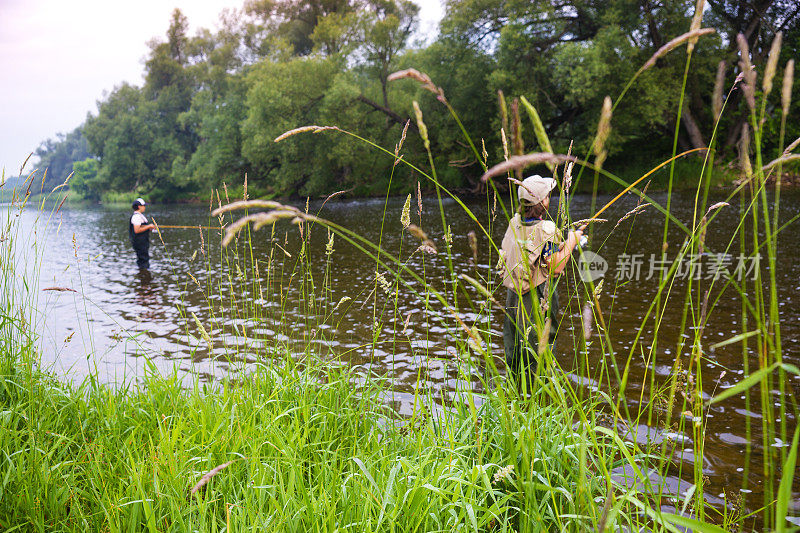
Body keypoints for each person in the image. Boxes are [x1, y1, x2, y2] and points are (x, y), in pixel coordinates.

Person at [499, 175, 584, 379]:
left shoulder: (514, 223)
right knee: (540, 349)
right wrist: (573, 240)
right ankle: (539, 394)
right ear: (543, 202)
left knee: (515, 346)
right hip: (537, 296)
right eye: (547, 196)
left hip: (513, 296)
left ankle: (517, 392)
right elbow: (556, 266)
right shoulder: (547, 229)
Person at [129, 198, 155, 270]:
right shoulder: (136, 217)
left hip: (142, 242)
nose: (145, 207)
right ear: (139, 206)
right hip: (139, 243)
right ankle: (144, 274)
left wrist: (148, 228)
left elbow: (141, 227)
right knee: (143, 259)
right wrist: (149, 226)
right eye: (144, 205)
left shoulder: (139, 216)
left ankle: (143, 275)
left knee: (144, 258)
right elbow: (137, 230)